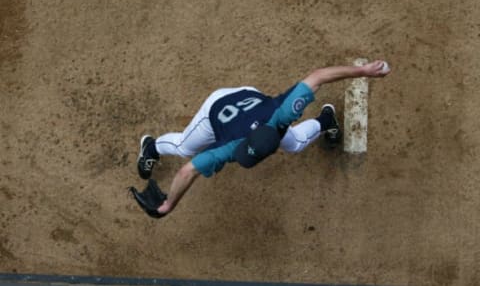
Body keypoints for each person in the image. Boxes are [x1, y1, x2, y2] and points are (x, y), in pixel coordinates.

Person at [136, 60, 390, 217]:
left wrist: (365, 71)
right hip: (216, 108)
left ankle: (326, 120)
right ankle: (152, 147)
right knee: (184, 147)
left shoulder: (280, 116)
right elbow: (186, 170)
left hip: (253, 100)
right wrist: (168, 204)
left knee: (295, 144)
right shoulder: (231, 144)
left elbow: (319, 76)